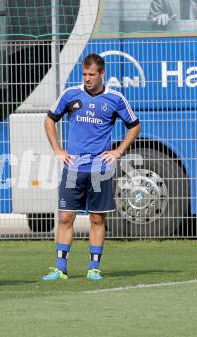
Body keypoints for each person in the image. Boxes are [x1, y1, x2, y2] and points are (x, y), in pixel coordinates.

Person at [43, 53, 141, 280]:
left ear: (101, 74)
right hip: (73, 168)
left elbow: (134, 126)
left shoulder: (115, 99)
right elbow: (49, 120)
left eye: (91, 75)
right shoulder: (70, 95)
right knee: (66, 217)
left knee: (97, 218)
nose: (87, 79)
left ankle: (94, 267)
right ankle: (60, 268)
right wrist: (58, 150)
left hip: (100, 169)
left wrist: (118, 151)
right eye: (84, 74)